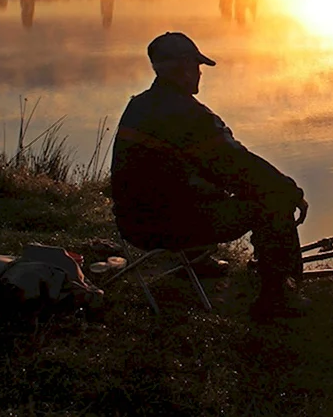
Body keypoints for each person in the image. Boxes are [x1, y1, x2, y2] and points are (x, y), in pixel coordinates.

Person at [110, 32, 310, 319]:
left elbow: (212, 167)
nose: (199, 74)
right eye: (196, 67)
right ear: (183, 68)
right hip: (164, 228)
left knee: (198, 178)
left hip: (131, 223)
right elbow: (238, 164)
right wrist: (291, 191)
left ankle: (196, 261)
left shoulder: (139, 105)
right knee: (273, 200)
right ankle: (278, 298)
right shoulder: (192, 117)